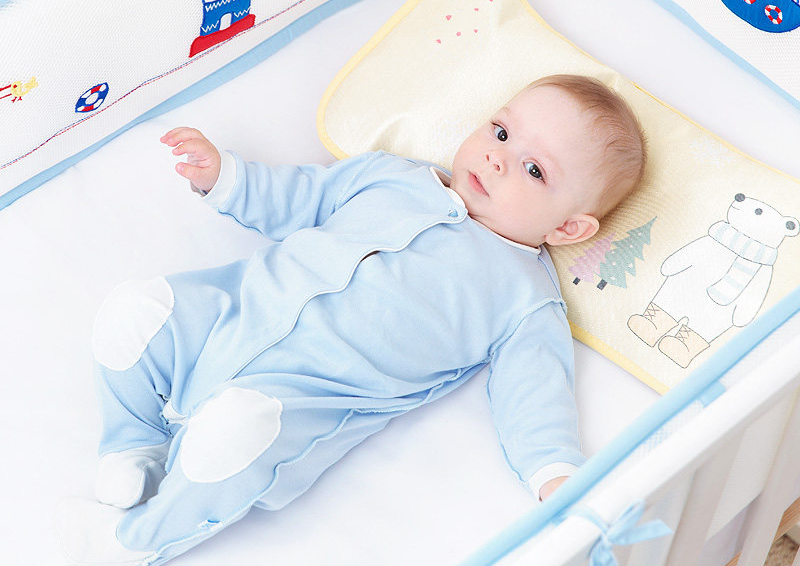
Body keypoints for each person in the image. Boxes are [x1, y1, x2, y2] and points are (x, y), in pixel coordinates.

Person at [56, 73, 646, 566]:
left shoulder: (524, 297)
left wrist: (556, 476)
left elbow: (533, 394)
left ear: (568, 228)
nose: (496, 156)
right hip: (232, 311)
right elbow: (300, 197)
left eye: (533, 169)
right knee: (136, 311)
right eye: (500, 131)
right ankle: (134, 442)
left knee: (235, 437)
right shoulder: (393, 175)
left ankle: (137, 542)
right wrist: (225, 177)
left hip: (299, 396)